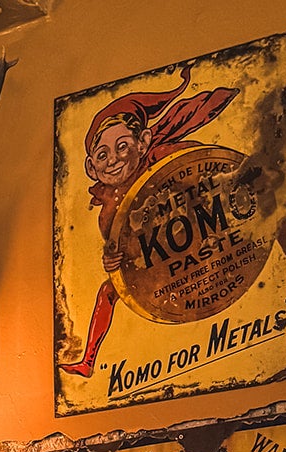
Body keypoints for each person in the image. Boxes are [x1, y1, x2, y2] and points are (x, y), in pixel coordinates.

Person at [59, 67, 240, 379]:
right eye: (102, 156)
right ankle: (88, 360)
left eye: (122, 147)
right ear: (90, 167)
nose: (112, 160)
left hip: (199, 245)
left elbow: (210, 169)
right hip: (160, 266)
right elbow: (118, 247)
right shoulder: (110, 205)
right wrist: (111, 259)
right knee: (108, 292)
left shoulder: (165, 159)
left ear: (142, 142)